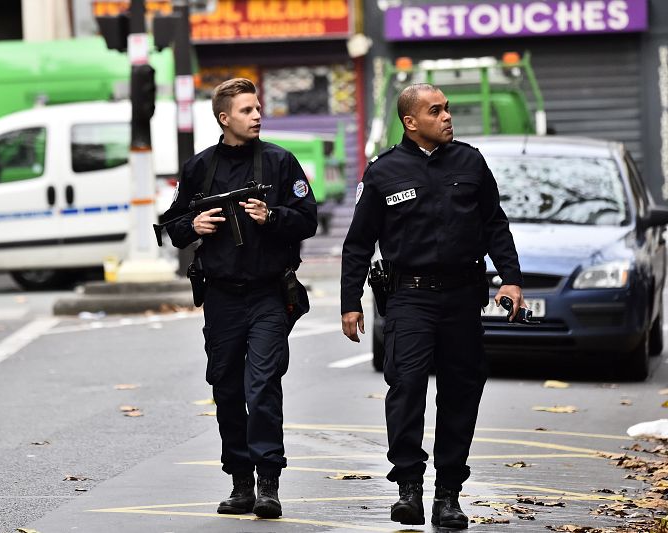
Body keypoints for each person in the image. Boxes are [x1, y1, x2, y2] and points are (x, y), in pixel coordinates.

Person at [340, 83, 524, 529]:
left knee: (461, 394)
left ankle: (448, 495)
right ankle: (409, 489)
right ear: (411, 121)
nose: (446, 117)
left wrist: (512, 280)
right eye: (435, 110)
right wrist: (350, 304)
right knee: (405, 391)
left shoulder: (470, 162)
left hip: (462, 298)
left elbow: (495, 224)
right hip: (410, 298)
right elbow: (359, 242)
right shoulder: (384, 172)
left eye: (447, 110)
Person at [164, 78, 317, 519]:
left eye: (258, 109)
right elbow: (173, 226)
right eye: (247, 110)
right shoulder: (199, 168)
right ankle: (240, 482)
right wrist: (195, 225)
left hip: (270, 294)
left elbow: (307, 221)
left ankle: (269, 481)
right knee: (227, 388)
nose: (256, 116)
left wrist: (272, 217)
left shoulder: (279, 162)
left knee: (263, 384)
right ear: (224, 118)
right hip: (222, 298)